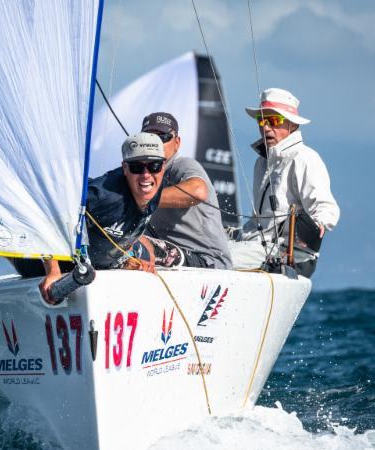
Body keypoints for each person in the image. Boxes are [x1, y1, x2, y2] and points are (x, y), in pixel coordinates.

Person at [39, 133, 166, 304]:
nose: (146, 175)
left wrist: (124, 259)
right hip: (49, 257)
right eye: (137, 167)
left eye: (154, 166)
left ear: (163, 167)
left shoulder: (155, 187)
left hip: (102, 258)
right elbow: (47, 210)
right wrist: (53, 271)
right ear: (125, 168)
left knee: (148, 258)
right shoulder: (105, 196)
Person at [231, 88, 340, 276]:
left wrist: (312, 228)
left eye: (274, 121)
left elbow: (328, 209)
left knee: (220, 257)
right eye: (261, 120)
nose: (265, 127)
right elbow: (261, 221)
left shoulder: (304, 158)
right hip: (258, 245)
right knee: (209, 248)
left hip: (290, 256)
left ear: (292, 125)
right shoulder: (262, 162)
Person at [141, 112, 232, 269]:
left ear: (177, 143)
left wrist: (144, 198)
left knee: (139, 245)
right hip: (168, 260)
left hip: (207, 261)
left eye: (162, 137)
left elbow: (198, 191)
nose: (155, 144)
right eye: (149, 138)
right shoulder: (140, 172)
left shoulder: (183, 165)